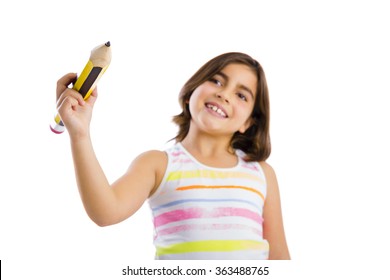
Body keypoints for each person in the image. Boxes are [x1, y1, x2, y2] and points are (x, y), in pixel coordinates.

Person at [56, 52, 290, 260]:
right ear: (191, 93)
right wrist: (80, 135)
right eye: (217, 81)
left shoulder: (261, 173)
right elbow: (105, 212)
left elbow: (279, 257)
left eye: (242, 95)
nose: (224, 95)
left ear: (248, 122)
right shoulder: (157, 164)